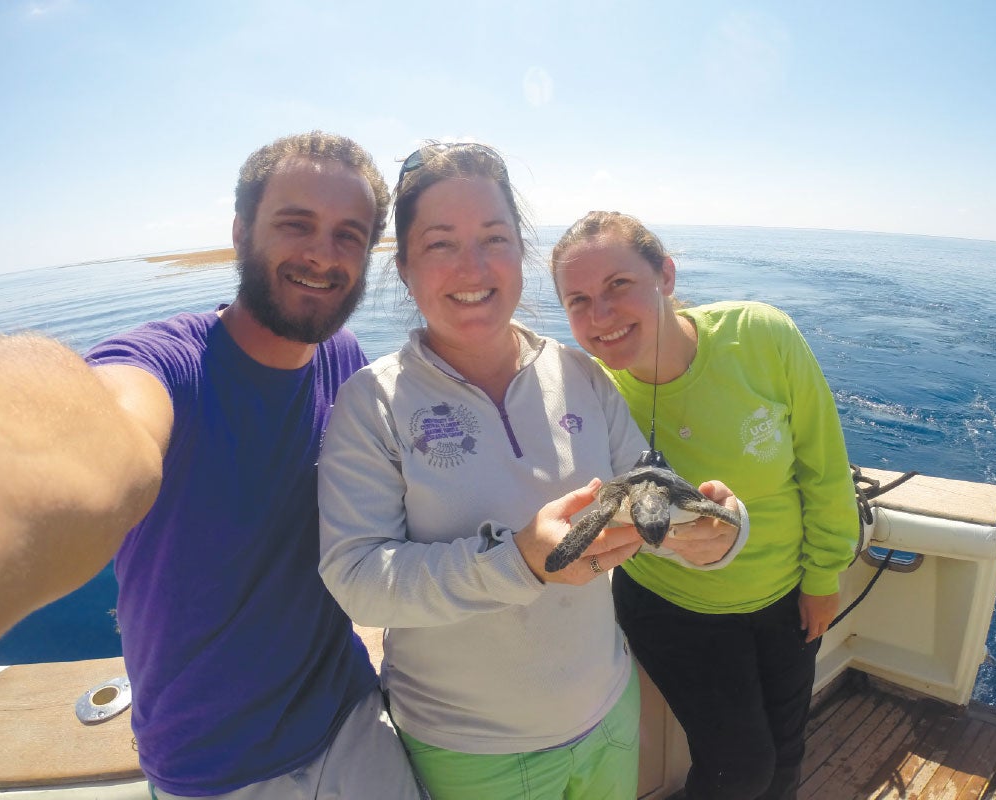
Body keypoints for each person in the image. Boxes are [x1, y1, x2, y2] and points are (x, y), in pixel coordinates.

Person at [0, 132, 422, 799]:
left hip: (351, 718)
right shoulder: (169, 369)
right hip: (214, 768)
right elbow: (101, 429)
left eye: (348, 235)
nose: (323, 254)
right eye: (296, 224)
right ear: (241, 231)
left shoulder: (341, 356)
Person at [317, 143, 748, 800]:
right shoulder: (372, 403)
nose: (474, 265)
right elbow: (357, 580)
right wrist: (517, 563)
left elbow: (647, 488)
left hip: (608, 716)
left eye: (495, 238)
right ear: (402, 267)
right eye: (440, 244)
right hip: (470, 752)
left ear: (520, 251)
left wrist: (716, 528)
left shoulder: (581, 376)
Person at [550, 211, 860, 800]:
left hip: (787, 594)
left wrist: (823, 575)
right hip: (671, 608)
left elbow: (824, 467)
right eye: (578, 300)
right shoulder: (591, 392)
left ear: (665, 275)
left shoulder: (762, 336)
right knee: (738, 769)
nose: (601, 316)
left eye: (619, 285)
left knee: (787, 752)